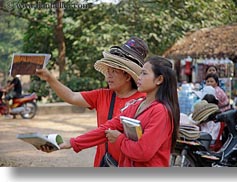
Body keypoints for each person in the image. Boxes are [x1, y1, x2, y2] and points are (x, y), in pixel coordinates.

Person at [41, 56, 180, 167]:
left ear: (159, 79)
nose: (139, 77)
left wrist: (119, 139)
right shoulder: (136, 104)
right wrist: (71, 143)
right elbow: (107, 128)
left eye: (144, 73)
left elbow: (143, 152)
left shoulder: (160, 111)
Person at [36, 37, 149, 167]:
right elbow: (71, 97)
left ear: (128, 76)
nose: (108, 76)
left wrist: (71, 143)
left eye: (114, 71)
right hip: (103, 163)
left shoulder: (144, 100)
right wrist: (50, 78)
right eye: (108, 71)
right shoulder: (102, 95)